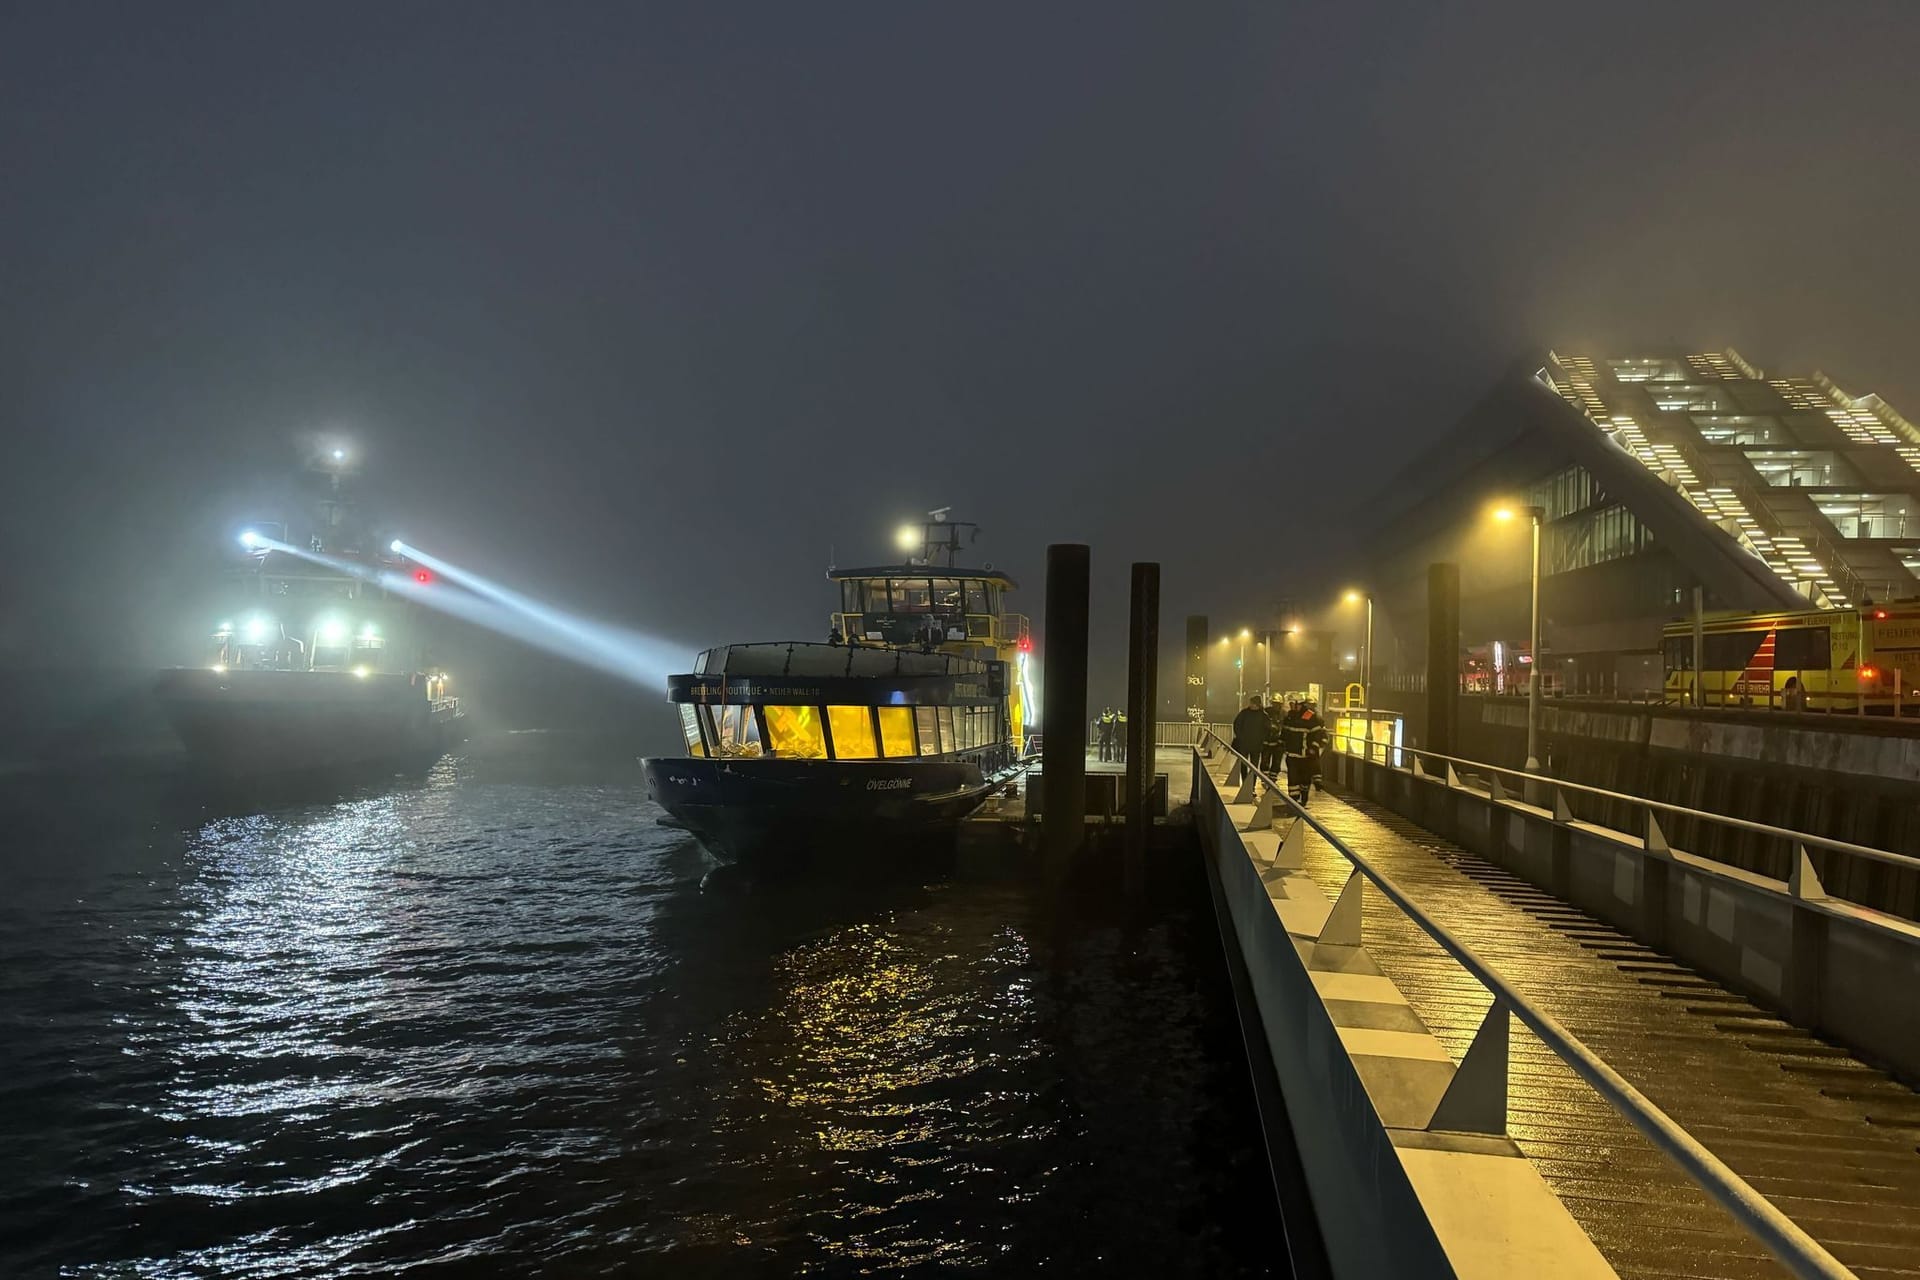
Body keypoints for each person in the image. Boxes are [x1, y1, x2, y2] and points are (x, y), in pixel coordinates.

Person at [1282, 698, 1328, 806]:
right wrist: (1281, 743)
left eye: (1295, 704)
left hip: (1305, 755)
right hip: (1292, 754)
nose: (1292, 706)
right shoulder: (1290, 716)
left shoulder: (1310, 716)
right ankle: (1293, 800)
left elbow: (1317, 734)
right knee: (1292, 779)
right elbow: (1285, 732)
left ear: (1301, 705)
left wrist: (1312, 747)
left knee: (1305, 779)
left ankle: (1304, 798)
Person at [1231, 695, 1268, 785]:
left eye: (1252, 703)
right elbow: (1237, 725)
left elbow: (1266, 729)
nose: (1251, 705)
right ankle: (1245, 783)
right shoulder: (1245, 713)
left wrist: (1261, 740)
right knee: (1244, 765)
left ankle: (1252, 785)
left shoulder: (1262, 715)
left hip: (1255, 745)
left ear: (1257, 704)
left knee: (1254, 767)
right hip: (1245, 744)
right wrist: (1240, 737)